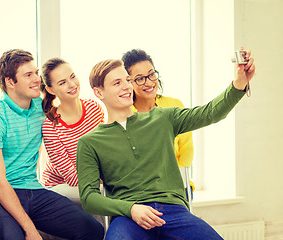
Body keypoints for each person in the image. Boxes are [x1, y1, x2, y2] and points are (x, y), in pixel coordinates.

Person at [76, 48, 255, 239]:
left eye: (127, 80)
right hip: (128, 218)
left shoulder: (162, 118)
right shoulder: (89, 142)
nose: (126, 87)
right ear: (99, 92)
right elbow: (89, 198)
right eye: (116, 83)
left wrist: (239, 83)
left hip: (174, 212)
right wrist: (131, 209)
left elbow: (210, 113)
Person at [0, 49, 104, 240]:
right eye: (28, 75)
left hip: (33, 190)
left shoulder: (41, 109)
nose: (37, 79)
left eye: (36, 73)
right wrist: (30, 229)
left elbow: (68, 115)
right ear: (10, 81)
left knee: (92, 230)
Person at [122, 49, 195, 198]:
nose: (149, 82)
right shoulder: (125, 114)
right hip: (141, 190)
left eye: (151, 74)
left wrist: (176, 178)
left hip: (178, 184)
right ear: (129, 82)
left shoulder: (175, 105)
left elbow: (187, 149)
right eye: (140, 78)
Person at [40, 57, 104, 203]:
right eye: (62, 82)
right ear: (50, 89)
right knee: (104, 193)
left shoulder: (94, 108)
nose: (72, 84)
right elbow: (72, 177)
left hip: (93, 181)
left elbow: (104, 153)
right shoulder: (51, 126)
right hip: (60, 187)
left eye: (72, 76)